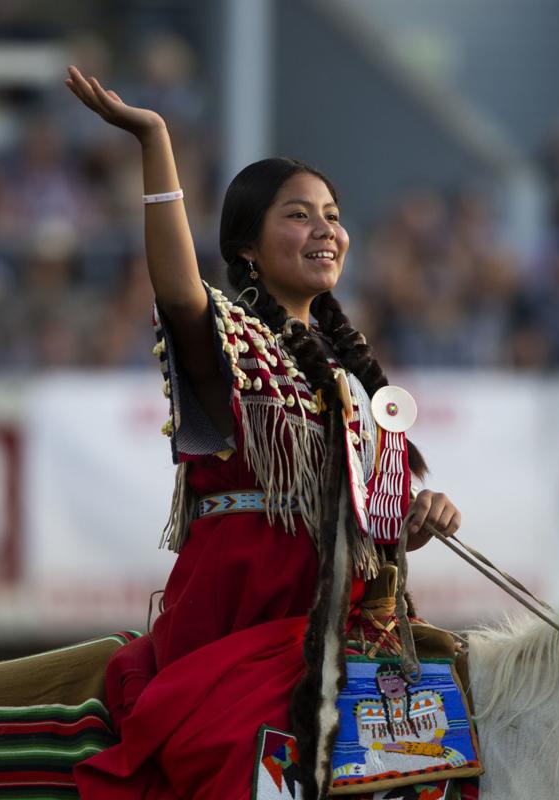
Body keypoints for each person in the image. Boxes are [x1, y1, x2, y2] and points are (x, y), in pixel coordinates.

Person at [62, 66, 462, 800]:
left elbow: (367, 529)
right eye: (300, 215)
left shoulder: (350, 372)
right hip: (241, 623)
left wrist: (413, 521)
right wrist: (155, 139)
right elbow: (179, 290)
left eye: (333, 215)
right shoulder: (229, 342)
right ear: (247, 247)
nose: (326, 230)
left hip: (338, 619)